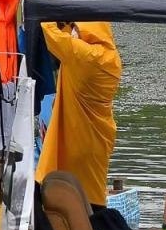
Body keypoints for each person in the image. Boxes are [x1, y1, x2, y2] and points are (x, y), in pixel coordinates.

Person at [34, 19, 120, 207]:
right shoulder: (112, 57)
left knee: (71, 194)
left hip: (76, 136)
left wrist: (54, 11)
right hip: (100, 136)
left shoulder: (86, 55)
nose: (72, 32)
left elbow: (51, 33)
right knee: (94, 193)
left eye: (76, 29)